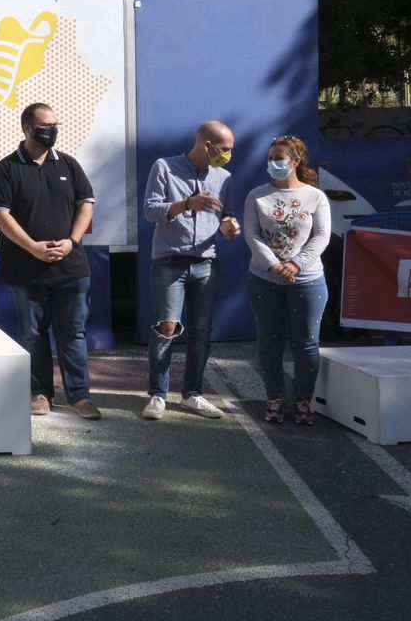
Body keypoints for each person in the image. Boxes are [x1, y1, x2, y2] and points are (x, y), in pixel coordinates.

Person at [0, 103, 99, 419]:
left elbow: (86, 205)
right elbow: (0, 214)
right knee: (33, 334)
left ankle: (79, 396)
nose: (51, 130)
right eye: (44, 126)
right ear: (27, 129)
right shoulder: (7, 168)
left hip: (71, 268)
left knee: (73, 332)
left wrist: (72, 241)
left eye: (54, 124)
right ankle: (39, 392)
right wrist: (32, 247)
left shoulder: (69, 164)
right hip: (25, 269)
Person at [140, 120, 242, 420]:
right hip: (169, 260)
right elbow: (150, 210)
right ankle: (158, 395)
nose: (228, 154)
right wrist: (187, 203)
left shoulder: (224, 177)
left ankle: (192, 394)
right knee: (166, 327)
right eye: (225, 149)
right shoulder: (165, 167)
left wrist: (229, 227)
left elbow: (228, 216)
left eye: (231, 149)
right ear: (207, 145)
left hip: (207, 261)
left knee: (201, 331)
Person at [243, 135, 332, 425]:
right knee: (269, 342)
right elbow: (252, 234)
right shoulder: (257, 195)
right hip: (264, 279)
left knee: (306, 343)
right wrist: (274, 265)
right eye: (269, 158)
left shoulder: (315, 196)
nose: (272, 163)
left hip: (307, 279)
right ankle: (275, 398)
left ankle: (303, 400)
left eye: (278, 158)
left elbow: (321, 236)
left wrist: (295, 264)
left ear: (295, 161)